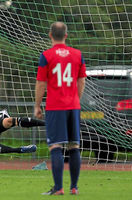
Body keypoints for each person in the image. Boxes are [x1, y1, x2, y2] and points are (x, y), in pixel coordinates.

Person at [34, 22, 86, 195]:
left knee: (55, 146)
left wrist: (37, 105)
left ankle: (58, 188)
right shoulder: (78, 54)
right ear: (66, 35)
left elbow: (41, 83)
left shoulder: (46, 56)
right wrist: (76, 100)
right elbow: (81, 80)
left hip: (55, 107)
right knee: (73, 146)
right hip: (73, 106)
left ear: (50, 35)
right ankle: (74, 187)